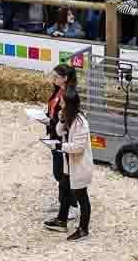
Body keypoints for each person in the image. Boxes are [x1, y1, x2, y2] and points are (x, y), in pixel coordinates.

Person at [45, 87, 92, 241]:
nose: (60, 102)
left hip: (78, 165)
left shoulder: (80, 122)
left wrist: (59, 147)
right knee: (64, 190)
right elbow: (59, 132)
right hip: (69, 163)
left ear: (69, 103)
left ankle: (83, 229)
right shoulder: (68, 117)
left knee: (82, 197)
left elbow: (78, 148)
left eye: (62, 101)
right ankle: (61, 221)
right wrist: (61, 120)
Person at [44, 65, 78, 214]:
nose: (54, 79)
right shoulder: (58, 91)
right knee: (58, 171)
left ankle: (73, 205)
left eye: (56, 77)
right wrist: (47, 119)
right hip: (54, 134)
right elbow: (53, 110)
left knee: (63, 173)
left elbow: (67, 118)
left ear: (65, 78)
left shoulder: (69, 95)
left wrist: (54, 122)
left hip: (63, 138)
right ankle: (62, 202)